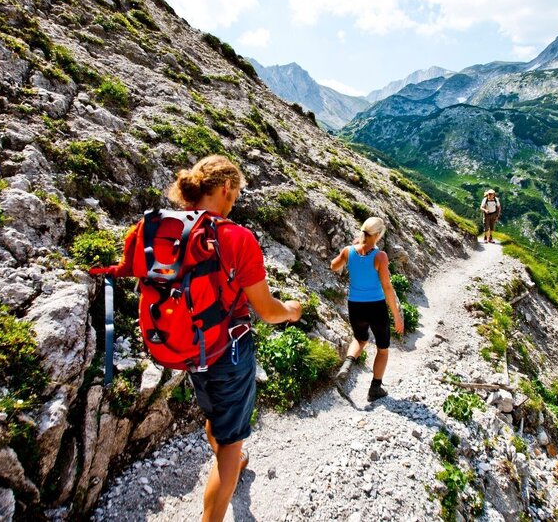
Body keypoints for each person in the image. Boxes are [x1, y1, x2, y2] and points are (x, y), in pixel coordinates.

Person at [94, 155, 301, 522]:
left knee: (215, 415)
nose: (235, 202)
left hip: (187, 348)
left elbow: (129, 269)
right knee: (230, 442)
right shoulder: (237, 237)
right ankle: (227, 471)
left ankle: (230, 460)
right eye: (236, 194)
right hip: (227, 351)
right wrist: (292, 310)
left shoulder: (159, 229)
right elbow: (267, 311)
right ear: (226, 188)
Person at [330, 217, 405, 401]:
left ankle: (347, 365)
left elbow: (333, 266)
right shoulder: (380, 256)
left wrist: (349, 251)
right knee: (382, 349)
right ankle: (375, 389)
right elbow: (387, 287)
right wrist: (397, 316)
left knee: (360, 339)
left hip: (355, 305)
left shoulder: (348, 251)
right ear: (377, 234)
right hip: (376, 307)